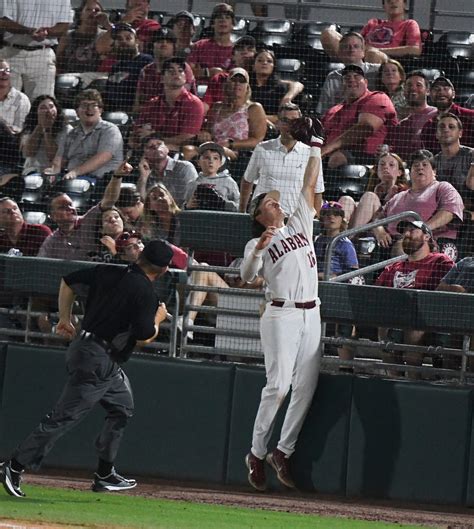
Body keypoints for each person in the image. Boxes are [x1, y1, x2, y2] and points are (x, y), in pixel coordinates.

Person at [0, 239, 173, 498]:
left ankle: (105, 473)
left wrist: (64, 318)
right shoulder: (147, 293)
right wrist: (158, 319)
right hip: (97, 360)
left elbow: (68, 281)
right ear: (164, 269)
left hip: (96, 354)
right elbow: (144, 336)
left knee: (122, 407)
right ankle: (14, 466)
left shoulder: (110, 270)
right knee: (63, 417)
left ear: (141, 256)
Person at [241, 116, 324, 492]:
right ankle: (256, 453)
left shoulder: (301, 224)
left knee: (304, 387)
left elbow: (308, 183)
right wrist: (258, 250)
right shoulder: (259, 241)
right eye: (272, 201)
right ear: (261, 215)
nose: (279, 202)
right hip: (282, 312)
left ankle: (283, 451)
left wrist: (317, 145)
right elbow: (246, 275)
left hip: (312, 312)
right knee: (278, 386)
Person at [376, 220, 454, 377]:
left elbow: (449, 292)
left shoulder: (440, 261)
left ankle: (413, 381)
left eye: (412, 230)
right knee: (383, 327)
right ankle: (394, 380)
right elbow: (377, 293)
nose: (406, 234)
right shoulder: (394, 267)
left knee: (413, 329)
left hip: (427, 316)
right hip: (395, 316)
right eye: (404, 232)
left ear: (426, 236)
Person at [372, 149, 464, 259]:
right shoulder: (398, 196)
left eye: (425, 165)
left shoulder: (442, 187)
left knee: (404, 246)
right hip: (389, 246)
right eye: (416, 165)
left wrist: (423, 229)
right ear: (409, 172)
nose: (420, 167)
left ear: (434, 171)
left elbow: (450, 211)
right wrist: (379, 231)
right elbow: (378, 218)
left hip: (427, 244)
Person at [240, 103, 325, 215]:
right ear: (278, 123)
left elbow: (317, 190)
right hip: (263, 217)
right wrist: (242, 211)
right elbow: (247, 180)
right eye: (285, 120)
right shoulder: (262, 149)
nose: (290, 126)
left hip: (294, 219)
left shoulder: (311, 154)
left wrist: (315, 220)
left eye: (294, 121)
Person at [37, 162, 128, 260]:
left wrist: (117, 176)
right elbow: (41, 265)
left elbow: (109, 200)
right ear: (53, 216)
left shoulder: (87, 222)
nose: (70, 209)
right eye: (63, 207)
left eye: (71, 205)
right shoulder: (51, 241)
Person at [321, 64, 397, 169]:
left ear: (366, 83)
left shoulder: (377, 97)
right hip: (329, 157)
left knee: (337, 158)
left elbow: (365, 127)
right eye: (347, 78)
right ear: (341, 85)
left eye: (357, 77)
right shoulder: (333, 111)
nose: (351, 80)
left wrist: (329, 147)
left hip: (370, 159)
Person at [185, 67, 266, 163]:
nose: (237, 84)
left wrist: (230, 144)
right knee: (187, 150)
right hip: (212, 148)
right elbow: (207, 131)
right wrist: (205, 133)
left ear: (247, 87)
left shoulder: (254, 108)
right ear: (226, 85)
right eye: (234, 80)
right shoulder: (216, 107)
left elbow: (257, 140)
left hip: (237, 153)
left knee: (215, 153)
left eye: (242, 81)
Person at [0, 0, 72, 100]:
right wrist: (29, 31)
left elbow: (64, 25)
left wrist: (46, 32)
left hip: (42, 54)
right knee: (6, 100)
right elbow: (3, 21)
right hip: (12, 53)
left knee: (41, 102)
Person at [48, 89, 124, 182]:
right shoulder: (71, 134)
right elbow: (60, 160)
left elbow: (103, 157)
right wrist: (53, 172)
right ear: (77, 112)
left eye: (94, 105)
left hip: (101, 181)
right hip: (71, 180)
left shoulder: (110, 130)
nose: (89, 109)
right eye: (84, 105)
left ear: (100, 110)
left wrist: (76, 172)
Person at [132, 57, 204, 153]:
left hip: (179, 153)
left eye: (180, 71)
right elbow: (139, 131)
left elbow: (187, 138)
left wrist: (153, 137)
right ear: (161, 78)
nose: (176, 73)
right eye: (171, 71)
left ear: (185, 78)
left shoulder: (194, 104)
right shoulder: (152, 103)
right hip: (151, 150)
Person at [321, 0, 422, 64]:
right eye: (388, 0)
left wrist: (378, 50)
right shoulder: (373, 23)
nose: (392, 2)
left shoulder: (410, 24)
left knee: (373, 54)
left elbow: (415, 50)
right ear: (384, 6)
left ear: (404, 4)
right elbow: (356, 41)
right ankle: (350, 68)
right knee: (328, 34)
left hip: (384, 60)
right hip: (360, 55)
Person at [133, 28, 195, 115]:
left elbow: (184, 101)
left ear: (174, 47)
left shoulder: (183, 68)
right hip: (150, 116)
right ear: (152, 46)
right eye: (159, 41)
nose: (164, 44)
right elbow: (137, 104)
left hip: (178, 115)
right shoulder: (146, 70)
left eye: (168, 42)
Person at [316, 32, 380, 116]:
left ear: (363, 52)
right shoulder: (333, 77)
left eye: (356, 46)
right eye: (346, 47)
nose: (351, 50)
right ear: (340, 52)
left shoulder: (377, 71)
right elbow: (325, 111)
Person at [340, 151, 408, 227]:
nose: (385, 167)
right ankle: (336, 236)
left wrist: (388, 198)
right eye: (382, 164)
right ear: (377, 170)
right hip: (365, 225)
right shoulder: (373, 188)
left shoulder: (404, 192)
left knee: (370, 196)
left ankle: (349, 236)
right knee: (346, 200)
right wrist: (377, 193)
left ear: (399, 172)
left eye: (391, 165)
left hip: (386, 227)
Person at [386, 70, 437, 160]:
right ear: (404, 91)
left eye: (418, 85)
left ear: (428, 91)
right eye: (409, 85)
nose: (413, 88)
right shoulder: (402, 125)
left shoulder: (436, 116)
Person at [136, 135, 198, 208]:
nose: (156, 147)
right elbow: (142, 204)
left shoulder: (184, 167)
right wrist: (143, 178)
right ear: (144, 156)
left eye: (159, 144)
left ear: (167, 149)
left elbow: (192, 198)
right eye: (150, 147)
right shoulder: (147, 174)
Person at [105, 23, 153, 113]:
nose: (123, 41)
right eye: (119, 39)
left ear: (137, 41)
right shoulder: (115, 67)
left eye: (128, 38)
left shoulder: (147, 61)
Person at [202, 35, 257, 113]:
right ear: (232, 56)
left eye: (250, 49)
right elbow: (206, 105)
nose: (245, 52)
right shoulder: (220, 79)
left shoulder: (259, 81)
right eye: (240, 49)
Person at [421, 76, 474, 154]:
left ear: (453, 94)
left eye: (445, 88)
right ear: (430, 95)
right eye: (436, 89)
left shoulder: (471, 117)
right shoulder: (428, 126)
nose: (441, 92)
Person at [249, 48, 304, 124]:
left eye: (269, 61)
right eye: (260, 60)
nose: (264, 63)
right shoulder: (247, 86)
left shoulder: (280, 88)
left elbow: (282, 118)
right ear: (253, 66)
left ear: (273, 67)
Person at [21, 95, 72, 176]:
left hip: (55, 171)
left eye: (51, 106)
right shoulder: (29, 128)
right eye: (43, 108)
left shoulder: (66, 129)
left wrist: (47, 130)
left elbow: (53, 156)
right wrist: (40, 126)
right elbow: (28, 152)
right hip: (32, 170)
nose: (48, 110)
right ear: (36, 112)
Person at [55, 0, 107, 74]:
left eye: (97, 10)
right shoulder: (68, 35)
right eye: (88, 9)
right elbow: (58, 60)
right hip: (68, 77)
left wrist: (107, 25)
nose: (93, 12)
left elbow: (119, 35)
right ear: (81, 14)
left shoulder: (104, 35)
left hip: (93, 78)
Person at [95, 0, 161, 58]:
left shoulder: (152, 26)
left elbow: (137, 50)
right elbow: (101, 48)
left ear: (148, 7)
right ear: (126, 7)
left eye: (140, 5)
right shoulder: (119, 25)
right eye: (133, 7)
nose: (136, 9)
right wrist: (124, 22)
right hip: (109, 68)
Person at [434, 113, 474, 207]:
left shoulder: (471, 156)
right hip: (443, 210)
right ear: (436, 134)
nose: (446, 129)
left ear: (460, 133)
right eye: (441, 127)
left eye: (451, 127)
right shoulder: (433, 162)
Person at [186, 142, 239, 211]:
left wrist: (223, 204)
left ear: (220, 163)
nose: (211, 161)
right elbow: (183, 209)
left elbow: (239, 206)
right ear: (198, 162)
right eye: (207, 157)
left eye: (215, 158)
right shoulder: (192, 184)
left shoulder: (229, 182)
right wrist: (187, 206)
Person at [187, 3, 235, 81]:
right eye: (219, 17)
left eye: (227, 17)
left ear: (233, 25)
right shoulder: (200, 45)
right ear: (212, 24)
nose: (223, 20)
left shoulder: (236, 50)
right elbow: (187, 72)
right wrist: (207, 72)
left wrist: (200, 71)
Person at [314, 201, 359, 279]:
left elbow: (353, 271)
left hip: (336, 284)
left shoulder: (345, 243)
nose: (331, 217)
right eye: (327, 215)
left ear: (342, 220)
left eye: (336, 214)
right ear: (322, 220)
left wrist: (328, 276)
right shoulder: (319, 240)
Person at [0, 59, 31, 134]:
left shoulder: (21, 99)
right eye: (0, 70)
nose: (5, 73)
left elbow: (18, 131)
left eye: (7, 70)